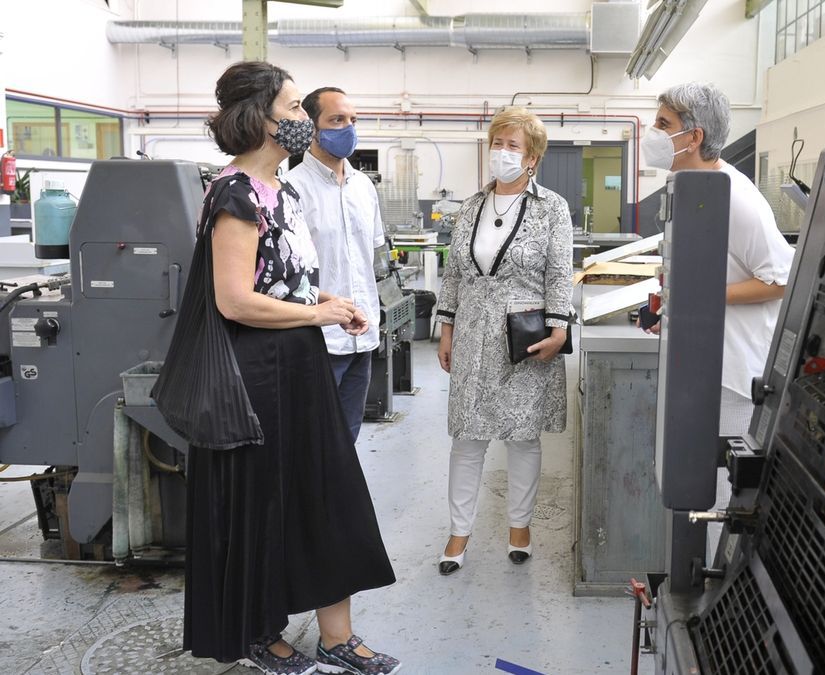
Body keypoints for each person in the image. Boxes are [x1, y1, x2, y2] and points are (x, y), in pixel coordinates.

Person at [182, 61, 400, 675]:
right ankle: (261, 632)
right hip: (257, 374)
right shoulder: (235, 194)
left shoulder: (287, 190)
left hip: (299, 362)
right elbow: (233, 299)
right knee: (267, 504)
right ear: (261, 117)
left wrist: (327, 306)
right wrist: (314, 316)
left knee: (328, 497)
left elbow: (287, 284)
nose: (303, 120)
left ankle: (337, 637)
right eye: (296, 107)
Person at [433, 107, 573, 576]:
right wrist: (446, 329)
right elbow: (453, 274)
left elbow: (558, 273)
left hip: (523, 335)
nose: (502, 153)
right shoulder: (471, 205)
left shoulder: (551, 207)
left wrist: (560, 330)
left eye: (512, 146)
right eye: (497, 143)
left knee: (522, 437)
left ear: (532, 157)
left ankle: (520, 528)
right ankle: (458, 533)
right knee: (467, 437)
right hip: (472, 332)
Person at [640, 82, 793, 437]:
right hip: (701, 361)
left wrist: (700, 299)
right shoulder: (689, 187)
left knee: (720, 488)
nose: (654, 132)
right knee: (687, 484)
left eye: (663, 124)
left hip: (734, 377)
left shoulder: (735, 197)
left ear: (693, 138)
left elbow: (780, 280)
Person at [285, 86, 385, 442]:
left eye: (353, 120)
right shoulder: (292, 188)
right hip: (319, 340)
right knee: (310, 440)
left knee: (348, 439)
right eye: (337, 120)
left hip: (363, 336)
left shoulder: (364, 188)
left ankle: (337, 500)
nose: (348, 129)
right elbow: (287, 275)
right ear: (312, 127)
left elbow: (369, 257)